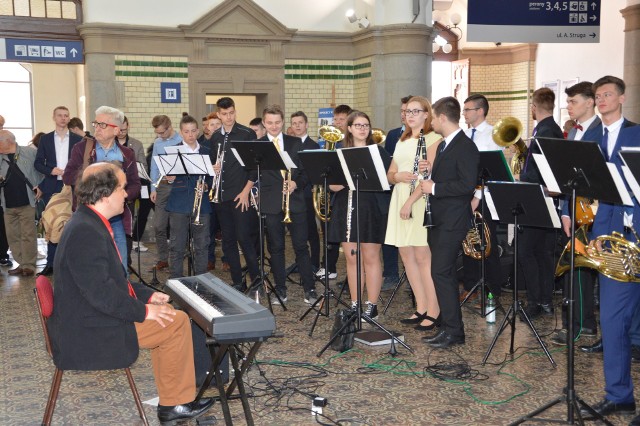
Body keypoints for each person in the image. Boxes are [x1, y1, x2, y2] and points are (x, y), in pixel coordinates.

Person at [48, 162, 214, 423]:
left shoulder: (89, 221)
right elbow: (101, 293)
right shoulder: (85, 231)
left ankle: (174, 401)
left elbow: (111, 281)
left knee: (169, 315)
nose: (126, 194)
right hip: (87, 330)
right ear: (105, 194)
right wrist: (145, 311)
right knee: (176, 321)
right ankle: (175, 404)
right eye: (122, 188)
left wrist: (146, 296)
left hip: (90, 315)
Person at [581, 76, 640, 422]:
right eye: (597, 95)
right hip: (609, 237)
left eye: (607, 94)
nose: (601, 99)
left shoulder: (637, 133)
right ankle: (619, 395)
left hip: (636, 230)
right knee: (612, 319)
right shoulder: (591, 137)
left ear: (621, 97)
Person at [420, 96, 479, 348]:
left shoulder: (465, 146)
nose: (431, 121)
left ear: (442, 118)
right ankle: (447, 326)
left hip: (453, 219)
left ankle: (455, 331)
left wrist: (434, 187)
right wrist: (429, 172)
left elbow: (466, 185)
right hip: (439, 218)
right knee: (441, 273)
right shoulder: (444, 145)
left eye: (433, 117)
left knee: (441, 272)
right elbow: (447, 177)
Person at [551, 81, 602, 345]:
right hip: (574, 210)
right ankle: (577, 324)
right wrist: (564, 212)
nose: (568, 106)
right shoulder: (571, 134)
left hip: (594, 212)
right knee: (575, 269)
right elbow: (565, 176)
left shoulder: (600, 132)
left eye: (573, 101)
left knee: (586, 270)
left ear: (589, 102)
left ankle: (585, 324)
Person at [386, 96, 442, 331]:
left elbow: (428, 177)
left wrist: (409, 202)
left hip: (419, 200)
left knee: (422, 257)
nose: (410, 115)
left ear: (427, 114)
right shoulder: (402, 138)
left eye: (416, 111)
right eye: (407, 111)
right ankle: (420, 306)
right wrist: (398, 177)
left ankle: (434, 309)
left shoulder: (433, 138)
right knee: (406, 257)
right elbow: (391, 173)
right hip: (400, 196)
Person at [329, 111, 391, 318]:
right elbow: (334, 186)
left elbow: (385, 183)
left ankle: (371, 305)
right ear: (349, 128)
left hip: (371, 207)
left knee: (371, 257)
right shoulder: (340, 151)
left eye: (366, 125)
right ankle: (355, 303)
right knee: (351, 258)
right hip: (346, 207)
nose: (363, 129)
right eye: (358, 125)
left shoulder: (379, 153)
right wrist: (347, 178)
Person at [63, 106, 141, 269]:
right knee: (89, 264)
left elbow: (135, 185)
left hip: (116, 217)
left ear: (116, 130)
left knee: (120, 266)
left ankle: (122, 292)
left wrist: (122, 195)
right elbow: (68, 176)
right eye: (95, 124)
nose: (97, 128)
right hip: (88, 216)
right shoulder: (82, 149)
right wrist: (92, 183)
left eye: (102, 125)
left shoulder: (127, 154)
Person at [259, 105, 318, 304]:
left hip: (296, 202)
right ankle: (280, 289)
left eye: (277, 122)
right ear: (264, 123)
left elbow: (307, 171)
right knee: (276, 248)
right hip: (271, 203)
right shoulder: (258, 144)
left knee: (301, 246)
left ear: (282, 122)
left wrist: (296, 183)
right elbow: (253, 174)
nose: (273, 126)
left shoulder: (295, 143)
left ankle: (309, 288)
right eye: (269, 123)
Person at [518, 87, 564, 321]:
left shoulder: (546, 132)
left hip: (541, 200)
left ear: (534, 107)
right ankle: (544, 301)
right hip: (545, 199)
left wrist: (520, 178)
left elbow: (543, 171)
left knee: (528, 252)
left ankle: (536, 301)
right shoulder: (550, 129)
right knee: (542, 253)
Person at [210, 97, 260, 291]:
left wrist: (246, 191)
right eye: (224, 114)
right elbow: (213, 163)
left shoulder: (246, 134)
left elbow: (254, 166)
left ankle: (257, 281)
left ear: (235, 111)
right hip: (222, 197)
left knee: (244, 239)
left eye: (231, 113)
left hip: (240, 195)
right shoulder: (215, 137)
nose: (228, 117)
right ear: (218, 114)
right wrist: (212, 168)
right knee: (228, 241)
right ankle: (238, 281)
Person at [460, 94, 503, 300]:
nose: (464, 113)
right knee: (468, 241)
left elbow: (493, 170)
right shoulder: (464, 134)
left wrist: (477, 197)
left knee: (486, 242)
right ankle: (470, 285)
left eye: (468, 109)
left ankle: (491, 289)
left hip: (485, 197)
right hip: (464, 194)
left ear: (480, 111)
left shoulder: (494, 134)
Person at [34, 106, 83, 276]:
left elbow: (83, 164)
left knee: (72, 224)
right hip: (52, 186)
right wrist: (50, 170)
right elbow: (38, 163)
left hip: (73, 187)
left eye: (66, 116)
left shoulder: (78, 139)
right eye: (60, 116)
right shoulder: (46, 139)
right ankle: (51, 263)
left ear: (69, 118)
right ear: (54, 117)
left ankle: (71, 262)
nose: (63, 118)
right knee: (53, 223)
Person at [166, 115, 212, 278]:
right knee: (177, 247)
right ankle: (176, 283)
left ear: (198, 131)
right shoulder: (173, 151)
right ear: (181, 133)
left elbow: (212, 178)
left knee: (202, 246)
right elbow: (169, 175)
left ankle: (202, 282)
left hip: (202, 205)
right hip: (179, 204)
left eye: (193, 131)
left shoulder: (207, 151)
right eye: (186, 132)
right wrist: (169, 177)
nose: (190, 135)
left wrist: (207, 185)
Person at [316, 104, 352, 281]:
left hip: (346, 194)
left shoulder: (350, 143)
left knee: (346, 236)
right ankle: (328, 266)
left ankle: (346, 275)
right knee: (329, 231)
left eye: (341, 119)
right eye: (335, 119)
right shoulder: (333, 142)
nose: (337, 123)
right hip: (332, 193)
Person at [380, 95, 413, 290]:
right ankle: (391, 274)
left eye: (407, 111)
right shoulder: (393, 135)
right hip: (393, 189)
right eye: (401, 111)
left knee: (412, 237)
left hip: (413, 190)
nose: (403, 115)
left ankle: (411, 276)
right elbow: (387, 163)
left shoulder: (426, 135)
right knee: (390, 233)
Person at [0, 130, 43, 276]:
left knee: (28, 234)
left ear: (8, 141)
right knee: (12, 235)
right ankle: (21, 262)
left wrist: (40, 186)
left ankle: (29, 265)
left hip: (27, 202)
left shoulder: (28, 153)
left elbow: (40, 170)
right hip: (7, 204)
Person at [149, 115, 182, 271]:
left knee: (176, 226)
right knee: (158, 225)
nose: (160, 136)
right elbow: (154, 166)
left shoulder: (182, 139)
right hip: (162, 186)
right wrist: (153, 188)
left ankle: (177, 259)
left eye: (162, 132)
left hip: (179, 187)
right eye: (158, 133)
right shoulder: (157, 143)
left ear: (169, 127)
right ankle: (163, 258)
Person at [290, 110, 320, 271]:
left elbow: (311, 172)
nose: (297, 126)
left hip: (307, 194)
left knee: (310, 231)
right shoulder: (288, 144)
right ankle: (300, 262)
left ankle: (314, 263)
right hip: (292, 194)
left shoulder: (313, 146)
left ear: (307, 124)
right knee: (296, 233)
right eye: (294, 123)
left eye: (300, 123)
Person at [117, 116, 147, 261]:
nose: (122, 132)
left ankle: (127, 258)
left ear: (129, 126)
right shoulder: (111, 143)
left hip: (129, 190)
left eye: (124, 129)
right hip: (112, 190)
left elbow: (143, 166)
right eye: (119, 129)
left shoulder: (136, 144)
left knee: (127, 225)